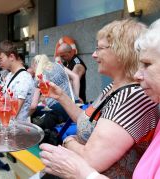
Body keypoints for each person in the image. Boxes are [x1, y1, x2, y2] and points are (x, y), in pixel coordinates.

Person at [39, 18, 160, 179]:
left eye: (100, 48)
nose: (94, 54)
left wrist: (69, 141)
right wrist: (61, 96)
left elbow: (91, 160)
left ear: (121, 51)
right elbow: (87, 120)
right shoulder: (115, 87)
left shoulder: (133, 96)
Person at [0, 40, 35, 122]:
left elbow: (13, 112)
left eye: (0, 59)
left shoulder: (23, 78)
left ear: (11, 57)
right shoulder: (10, 75)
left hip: (16, 129)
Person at [29, 54, 74, 124]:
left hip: (58, 109)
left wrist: (24, 116)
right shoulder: (59, 65)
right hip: (72, 104)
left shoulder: (39, 75)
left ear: (35, 65)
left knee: (35, 113)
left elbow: (33, 106)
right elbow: (75, 77)